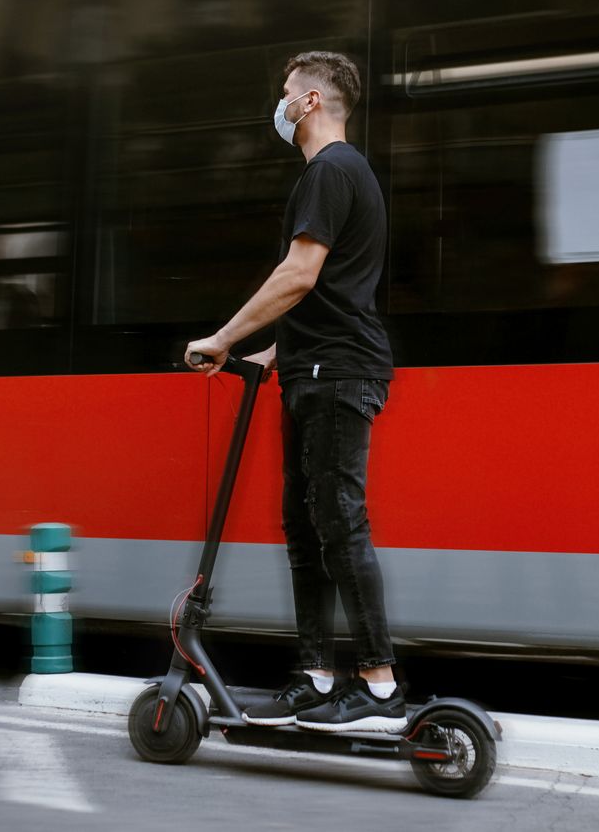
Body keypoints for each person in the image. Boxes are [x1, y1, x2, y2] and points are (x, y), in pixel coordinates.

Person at [184, 51, 402, 733]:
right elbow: (335, 292)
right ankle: (314, 676)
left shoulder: (330, 171)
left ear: (310, 102)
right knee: (308, 529)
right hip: (313, 368)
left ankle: (378, 684)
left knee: (339, 522)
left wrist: (221, 337)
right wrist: (272, 350)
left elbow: (300, 275)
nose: (278, 106)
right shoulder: (341, 174)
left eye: (285, 94)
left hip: (338, 376)